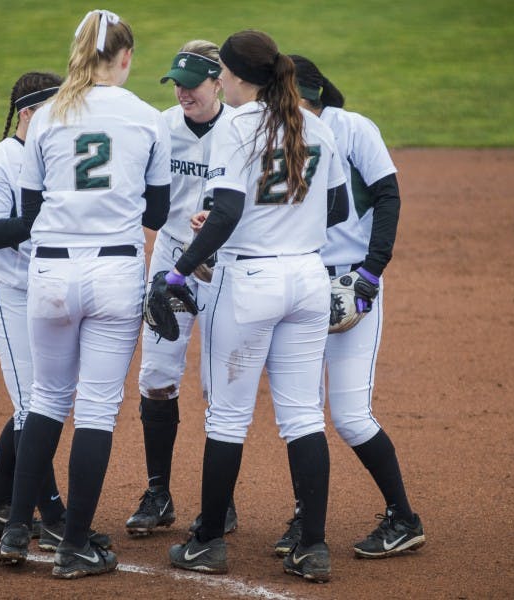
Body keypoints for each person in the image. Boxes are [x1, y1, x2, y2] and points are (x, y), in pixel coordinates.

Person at [0, 9, 171, 580]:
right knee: (96, 409)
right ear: (124, 58)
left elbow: (28, 210)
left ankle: (17, 530)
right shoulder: (147, 118)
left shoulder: (44, 117)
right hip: (115, 272)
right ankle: (74, 546)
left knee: (45, 399)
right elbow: (161, 212)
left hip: (47, 273)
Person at [165, 30, 349, 583]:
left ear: (241, 78)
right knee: (302, 416)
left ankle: (207, 542)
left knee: (228, 414)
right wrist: (287, 218)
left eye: (220, 70)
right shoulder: (315, 125)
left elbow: (225, 213)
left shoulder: (236, 127)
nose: (216, 78)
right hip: (308, 279)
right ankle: (313, 547)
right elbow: (336, 207)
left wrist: (177, 270)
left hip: (249, 283)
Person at [270, 54, 425, 560]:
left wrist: (371, 273)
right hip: (301, 284)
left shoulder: (354, 129)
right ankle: (305, 520)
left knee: (351, 416)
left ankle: (403, 517)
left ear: (309, 100)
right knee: (301, 414)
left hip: (352, 284)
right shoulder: (273, 132)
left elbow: (388, 196)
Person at [125, 39, 237, 538]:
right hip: (172, 256)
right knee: (156, 375)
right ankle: (158, 492)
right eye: (176, 85)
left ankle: (221, 503)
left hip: (226, 263)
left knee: (221, 384)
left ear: (218, 82)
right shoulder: (159, 127)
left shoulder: (241, 129)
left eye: (192, 86)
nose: (183, 95)